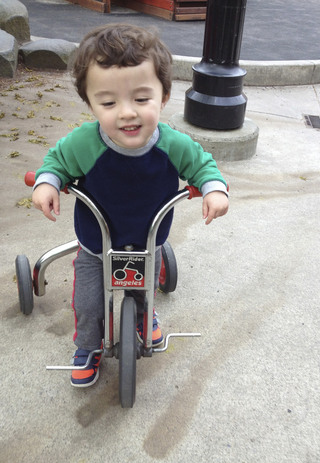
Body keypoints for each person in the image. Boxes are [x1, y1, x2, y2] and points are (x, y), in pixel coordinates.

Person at [32, 24, 229, 388]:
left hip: (148, 241)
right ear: (90, 103)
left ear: (164, 96)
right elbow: (56, 161)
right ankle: (87, 347)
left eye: (141, 99)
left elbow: (202, 164)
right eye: (108, 103)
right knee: (89, 303)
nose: (126, 113)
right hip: (96, 242)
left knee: (143, 291)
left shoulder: (173, 144)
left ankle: (144, 318)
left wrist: (213, 188)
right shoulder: (84, 143)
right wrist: (48, 183)